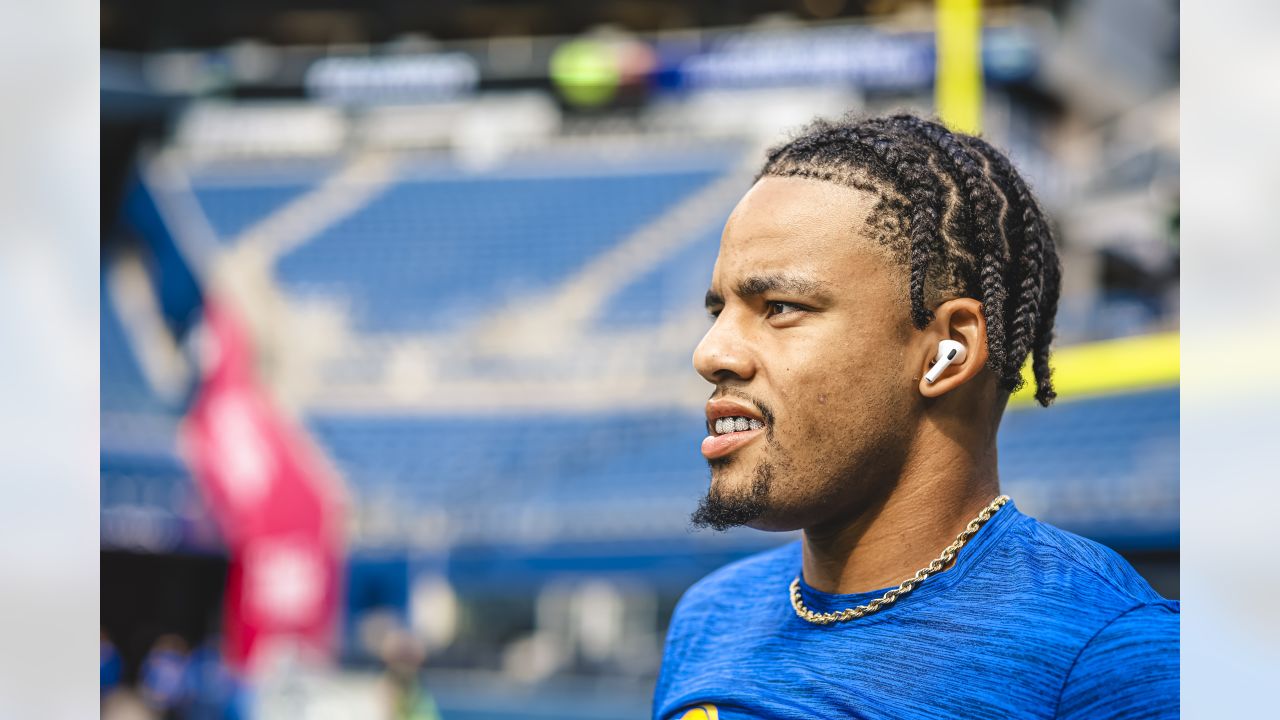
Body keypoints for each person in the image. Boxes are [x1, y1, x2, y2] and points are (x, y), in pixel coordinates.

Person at [652, 113, 1178, 719]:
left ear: (945, 351)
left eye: (780, 307)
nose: (711, 352)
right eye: (719, 310)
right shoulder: (710, 615)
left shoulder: (1112, 658)